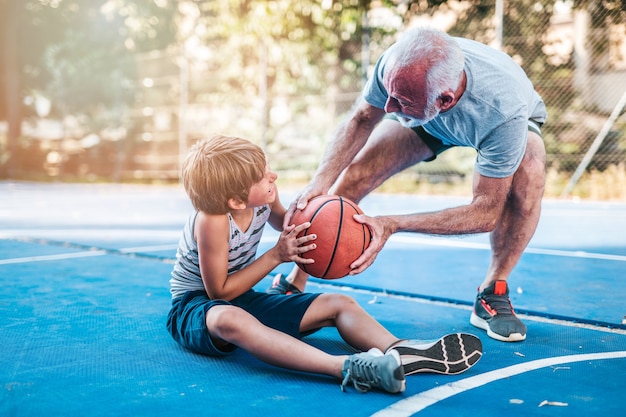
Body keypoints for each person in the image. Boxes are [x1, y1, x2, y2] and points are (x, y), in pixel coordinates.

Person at [278, 27, 547, 343]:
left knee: (528, 177)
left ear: (445, 100)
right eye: (389, 93)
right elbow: (364, 118)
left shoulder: (501, 111)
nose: (387, 107)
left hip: (492, 120)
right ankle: (297, 280)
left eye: (400, 99)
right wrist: (320, 182)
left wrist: (393, 224)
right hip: (425, 113)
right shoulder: (397, 65)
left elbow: (485, 213)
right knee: (356, 171)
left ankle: (493, 288)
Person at [167, 134, 483, 394]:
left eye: (268, 168)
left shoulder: (264, 197)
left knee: (339, 303)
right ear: (235, 201)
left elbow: (287, 224)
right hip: (197, 306)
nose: (272, 176)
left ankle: (400, 350)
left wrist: (324, 218)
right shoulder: (213, 221)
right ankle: (347, 368)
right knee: (232, 320)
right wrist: (277, 255)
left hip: (240, 296)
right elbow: (218, 291)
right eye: (262, 176)